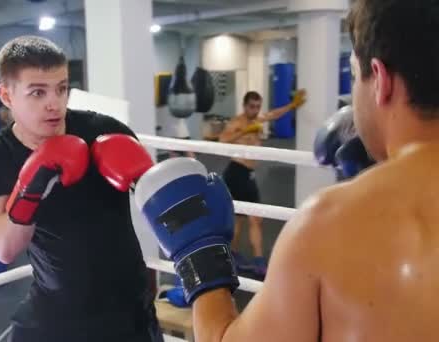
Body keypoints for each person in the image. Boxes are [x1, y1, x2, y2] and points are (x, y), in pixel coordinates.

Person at [130, 0, 439, 341]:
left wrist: (197, 254)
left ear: (380, 80)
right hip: (236, 171)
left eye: (353, 74)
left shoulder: (328, 222)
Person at [0, 36, 162, 342]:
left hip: (128, 306)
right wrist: (32, 185)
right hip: (57, 310)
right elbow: (2, 248)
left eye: (62, 88)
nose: (54, 103)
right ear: (7, 95)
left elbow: (160, 203)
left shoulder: (106, 131)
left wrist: (165, 186)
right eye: (37, 92)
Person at [218, 89, 306, 276]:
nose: (255, 110)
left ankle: (232, 255)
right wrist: (244, 131)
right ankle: (259, 262)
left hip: (247, 174)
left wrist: (292, 105)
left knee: (240, 219)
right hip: (236, 173)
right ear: (244, 106)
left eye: (258, 106)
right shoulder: (238, 122)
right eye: (252, 107)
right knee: (254, 218)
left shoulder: (258, 119)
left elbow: (273, 114)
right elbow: (222, 139)